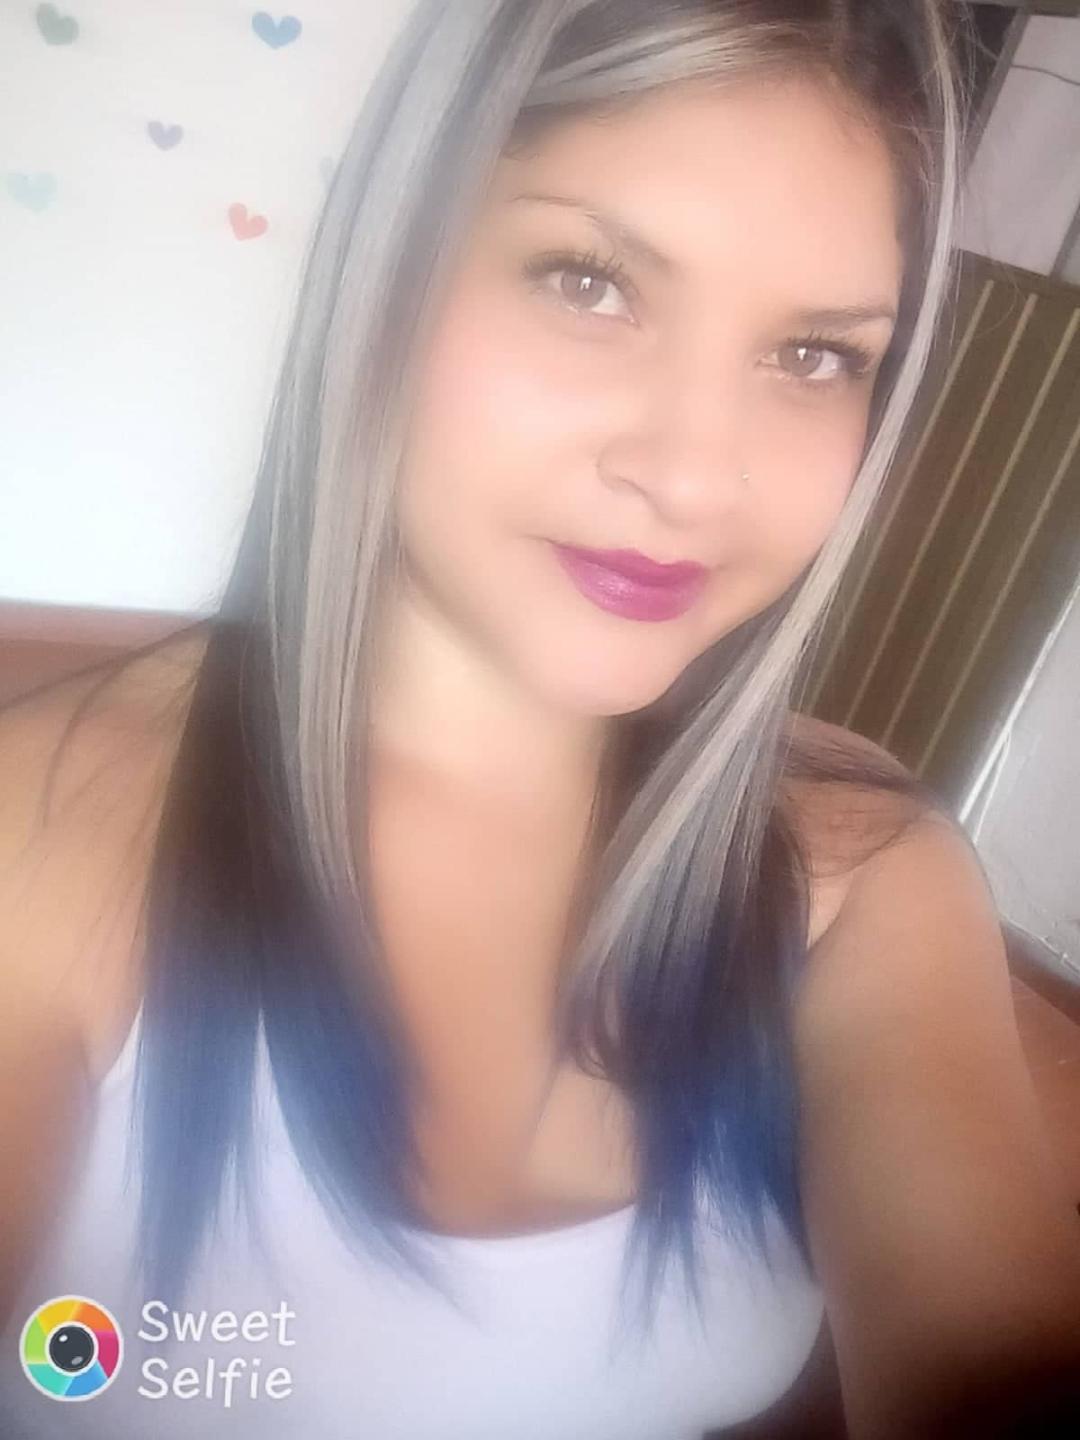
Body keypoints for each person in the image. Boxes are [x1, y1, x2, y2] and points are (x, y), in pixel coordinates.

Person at [2, 2, 1079, 1437]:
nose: (692, 476)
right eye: (588, 281)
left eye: (816, 355)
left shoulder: (855, 864)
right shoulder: (44, 840)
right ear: (394, 263)